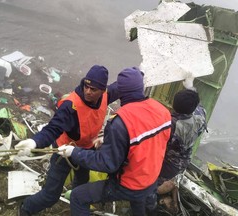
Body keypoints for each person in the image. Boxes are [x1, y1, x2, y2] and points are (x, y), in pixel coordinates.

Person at [58, 67, 172, 216]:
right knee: (139, 205)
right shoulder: (162, 111)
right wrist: (112, 140)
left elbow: (107, 164)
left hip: (129, 184)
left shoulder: (121, 121)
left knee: (78, 196)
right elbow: (153, 139)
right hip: (151, 179)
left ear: (121, 92)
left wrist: (74, 152)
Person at [15, 65, 119, 215]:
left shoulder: (107, 95)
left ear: (103, 90)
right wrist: (34, 142)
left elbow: (123, 85)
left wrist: (141, 72)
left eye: (93, 89)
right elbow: (52, 128)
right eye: (86, 86)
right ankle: (25, 208)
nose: (88, 91)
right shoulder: (71, 106)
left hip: (85, 151)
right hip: (63, 152)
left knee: (82, 183)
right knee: (51, 195)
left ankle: (75, 202)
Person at [157, 77, 207, 213]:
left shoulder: (172, 125)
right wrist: (190, 87)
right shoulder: (200, 114)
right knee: (172, 175)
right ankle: (173, 188)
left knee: (152, 185)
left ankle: (163, 200)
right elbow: (197, 103)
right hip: (185, 158)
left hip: (170, 162)